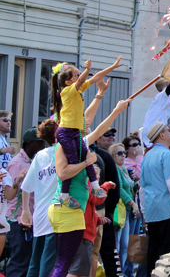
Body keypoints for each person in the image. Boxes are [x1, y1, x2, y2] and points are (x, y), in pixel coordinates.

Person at [48, 99, 129, 277]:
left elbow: (97, 126)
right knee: (70, 267)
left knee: (72, 266)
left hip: (73, 212)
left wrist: (113, 108)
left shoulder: (78, 145)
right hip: (66, 210)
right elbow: (62, 174)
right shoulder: (64, 146)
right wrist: (87, 162)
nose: (84, 125)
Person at [50, 57, 123, 207]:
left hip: (75, 132)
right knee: (73, 161)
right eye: (76, 75)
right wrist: (87, 70)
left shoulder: (77, 90)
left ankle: (96, 187)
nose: (81, 76)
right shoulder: (67, 91)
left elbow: (96, 78)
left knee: (86, 156)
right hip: (66, 133)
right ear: (68, 82)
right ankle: (64, 195)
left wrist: (113, 66)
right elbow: (83, 79)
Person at [141, 121, 170, 271]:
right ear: (162, 135)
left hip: (152, 211)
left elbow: (142, 188)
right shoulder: (166, 155)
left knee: (154, 252)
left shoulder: (147, 156)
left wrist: (144, 212)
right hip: (169, 211)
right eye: (169, 130)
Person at [20, 120, 60, 277]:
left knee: (36, 262)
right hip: (54, 216)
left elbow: (26, 187)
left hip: (40, 215)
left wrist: (25, 211)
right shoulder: (63, 152)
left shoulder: (39, 155)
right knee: (47, 264)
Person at [4, 128, 46, 277]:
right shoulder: (17, 163)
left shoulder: (35, 161)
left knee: (29, 262)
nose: (43, 146)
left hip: (32, 219)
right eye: (40, 142)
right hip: (19, 220)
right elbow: (11, 195)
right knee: (19, 263)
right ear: (30, 143)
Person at [91, 127, 121, 277]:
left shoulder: (103, 156)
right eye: (107, 134)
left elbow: (115, 186)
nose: (111, 137)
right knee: (88, 252)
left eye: (113, 134)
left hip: (102, 210)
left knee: (105, 249)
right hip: (83, 210)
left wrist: (110, 210)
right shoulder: (74, 155)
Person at [109, 142, 140, 277]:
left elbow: (130, 186)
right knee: (120, 246)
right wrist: (132, 202)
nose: (123, 156)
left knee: (127, 245)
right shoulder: (115, 169)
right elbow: (119, 188)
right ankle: (119, 273)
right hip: (120, 211)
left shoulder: (123, 169)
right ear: (112, 156)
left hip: (128, 211)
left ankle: (125, 272)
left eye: (124, 153)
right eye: (119, 153)